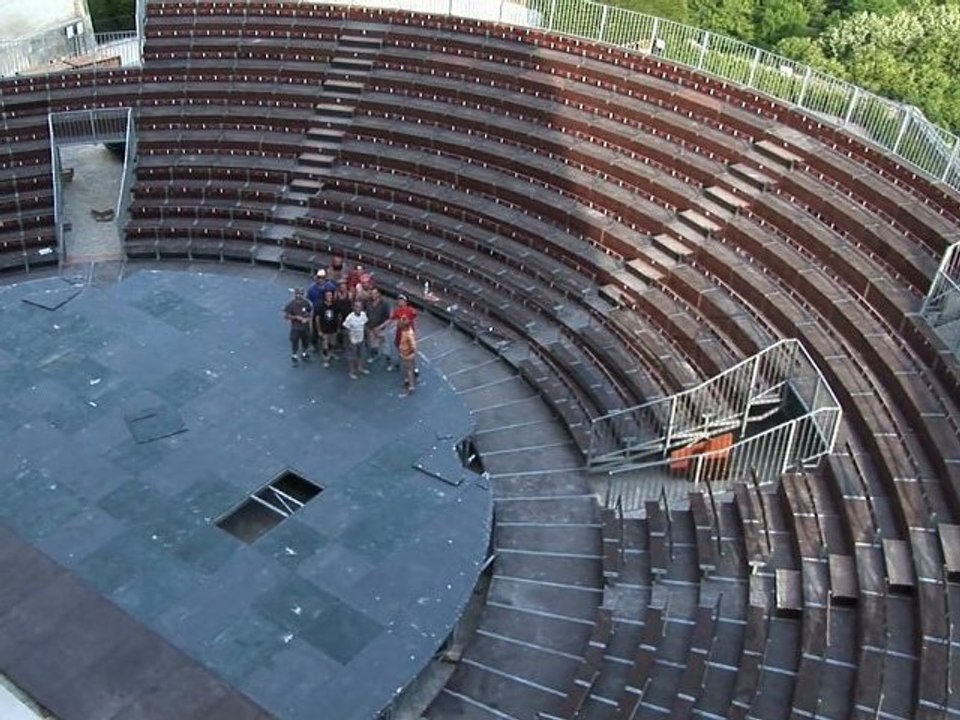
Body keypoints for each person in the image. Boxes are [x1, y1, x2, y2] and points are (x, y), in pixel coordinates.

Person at [386, 294, 418, 372]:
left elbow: (414, 319)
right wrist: (382, 327)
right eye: (399, 300)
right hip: (400, 333)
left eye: (401, 300)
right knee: (399, 348)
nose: (399, 302)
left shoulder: (411, 310)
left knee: (410, 351)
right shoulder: (397, 311)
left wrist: (415, 333)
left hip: (408, 334)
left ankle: (414, 368)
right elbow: (391, 319)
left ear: (406, 302)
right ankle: (399, 362)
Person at [283, 287, 312, 366]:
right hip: (296, 328)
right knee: (295, 341)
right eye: (297, 294)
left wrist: (307, 319)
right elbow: (286, 316)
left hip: (305, 327)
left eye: (301, 294)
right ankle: (294, 355)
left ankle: (304, 353)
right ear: (295, 294)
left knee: (306, 341)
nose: (299, 296)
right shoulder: (291, 305)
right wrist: (296, 317)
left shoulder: (306, 303)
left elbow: (310, 313)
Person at [342, 300, 369, 379]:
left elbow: (365, 325)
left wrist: (366, 337)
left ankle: (360, 368)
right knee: (352, 357)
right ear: (353, 307)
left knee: (361, 354)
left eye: (360, 306)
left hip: (361, 338)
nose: (358, 308)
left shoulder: (363, 315)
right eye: (356, 306)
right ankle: (351, 371)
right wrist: (349, 341)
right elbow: (346, 330)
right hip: (352, 340)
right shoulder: (349, 318)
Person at [314, 290, 342, 367]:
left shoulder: (335, 305)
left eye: (330, 295)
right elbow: (317, 319)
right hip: (324, 329)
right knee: (325, 346)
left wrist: (339, 327)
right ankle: (326, 359)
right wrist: (319, 330)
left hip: (333, 328)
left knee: (333, 344)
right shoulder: (321, 306)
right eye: (327, 295)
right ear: (325, 297)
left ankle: (332, 353)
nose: (329, 297)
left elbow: (339, 317)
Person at [364, 287, 391, 364]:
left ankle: (387, 357)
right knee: (373, 344)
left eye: (375, 293)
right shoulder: (368, 302)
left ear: (379, 294)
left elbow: (388, 318)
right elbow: (365, 313)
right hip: (370, 327)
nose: (373, 295)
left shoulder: (384, 304)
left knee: (384, 343)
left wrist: (380, 327)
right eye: (372, 293)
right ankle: (374, 355)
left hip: (380, 328)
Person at [397, 316, 417, 393]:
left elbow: (413, 346)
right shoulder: (404, 331)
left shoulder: (409, 334)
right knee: (405, 368)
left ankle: (411, 386)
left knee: (409, 370)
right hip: (404, 352)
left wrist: (409, 354)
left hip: (407, 354)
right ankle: (407, 381)